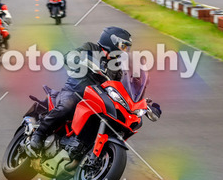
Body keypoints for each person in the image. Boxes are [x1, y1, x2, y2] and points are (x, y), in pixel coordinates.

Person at [28, 26, 162, 154]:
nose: (125, 50)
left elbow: (122, 87)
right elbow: (69, 55)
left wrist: (140, 103)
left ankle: (85, 147)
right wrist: (77, 59)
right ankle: (39, 134)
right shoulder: (91, 48)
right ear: (111, 41)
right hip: (76, 90)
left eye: (127, 48)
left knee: (113, 116)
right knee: (69, 104)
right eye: (123, 46)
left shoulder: (117, 67)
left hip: (97, 98)